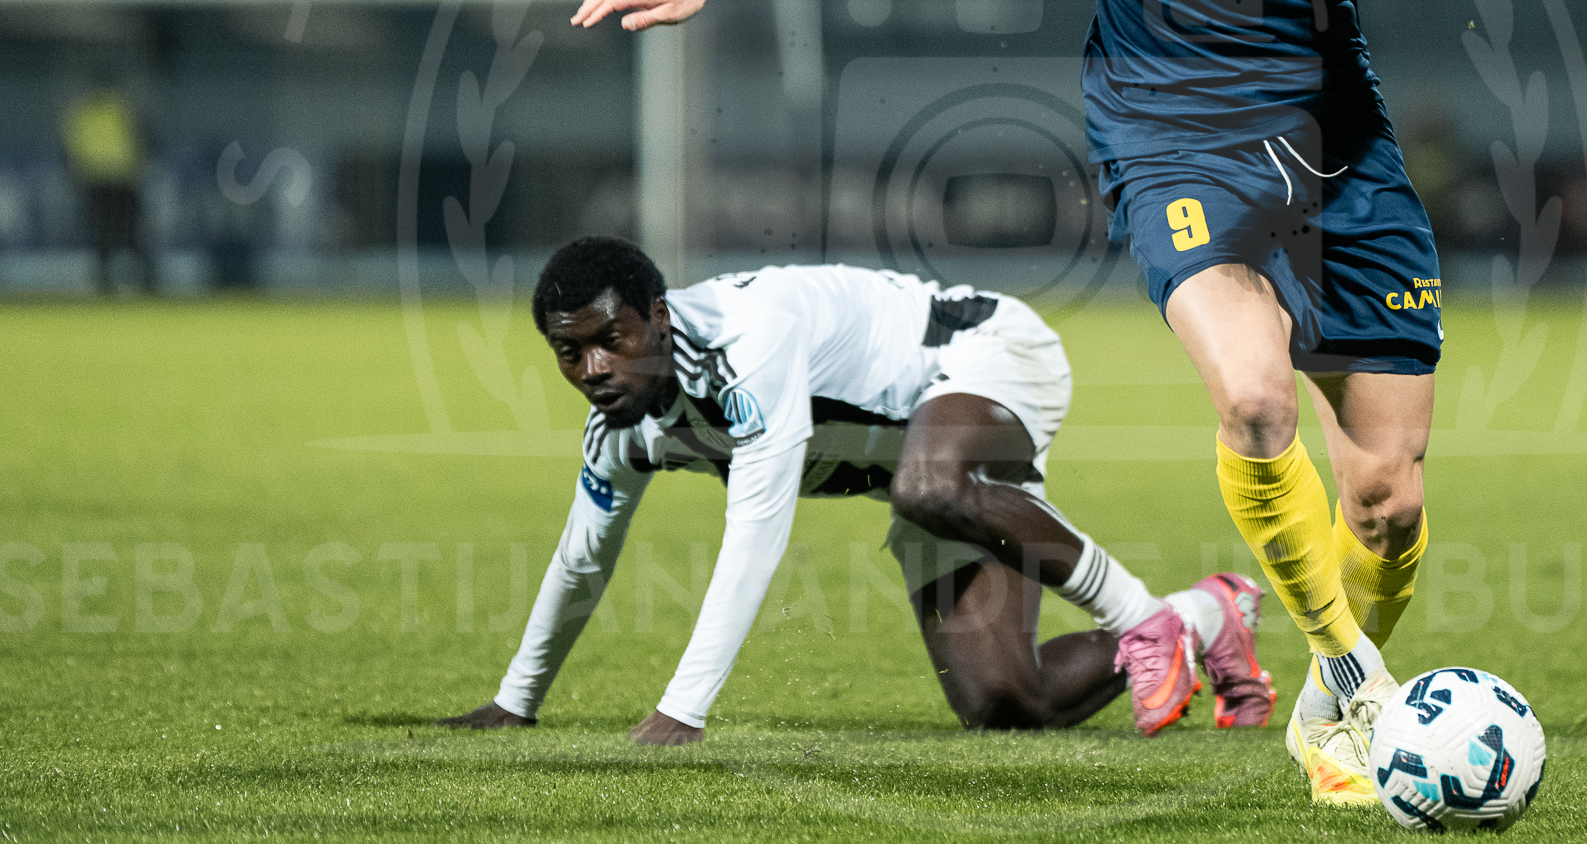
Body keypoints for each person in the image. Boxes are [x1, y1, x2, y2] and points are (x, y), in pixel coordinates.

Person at [570, 0, 1530, 805]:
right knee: (1254, 400)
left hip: (1336, 148)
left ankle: (1333, 690)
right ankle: (1356, 687)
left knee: (1387, 504)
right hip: (1170, 139)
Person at [437, 238, 1273, 741]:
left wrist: (684, 707)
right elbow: (581, 562)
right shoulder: (623, 431)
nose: (592, 369)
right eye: (569, 352)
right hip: (933, 464)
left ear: (657, 316)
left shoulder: (745, 349)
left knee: (926, 485)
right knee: (1008, 705)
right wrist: (517, 702)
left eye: (610, 340)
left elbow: (754, 534)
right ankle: (1208, 614)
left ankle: (1143, 620)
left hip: (987, 355)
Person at [59, 80, 153, 293]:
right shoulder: (121, 108)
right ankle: (142, 278)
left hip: (101, 180)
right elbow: (140, 137)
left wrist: (76, 172)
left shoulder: (83, 112)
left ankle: (107, 278)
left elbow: (73, 145)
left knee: (105, 232)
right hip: (120, 178)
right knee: (128, 231)